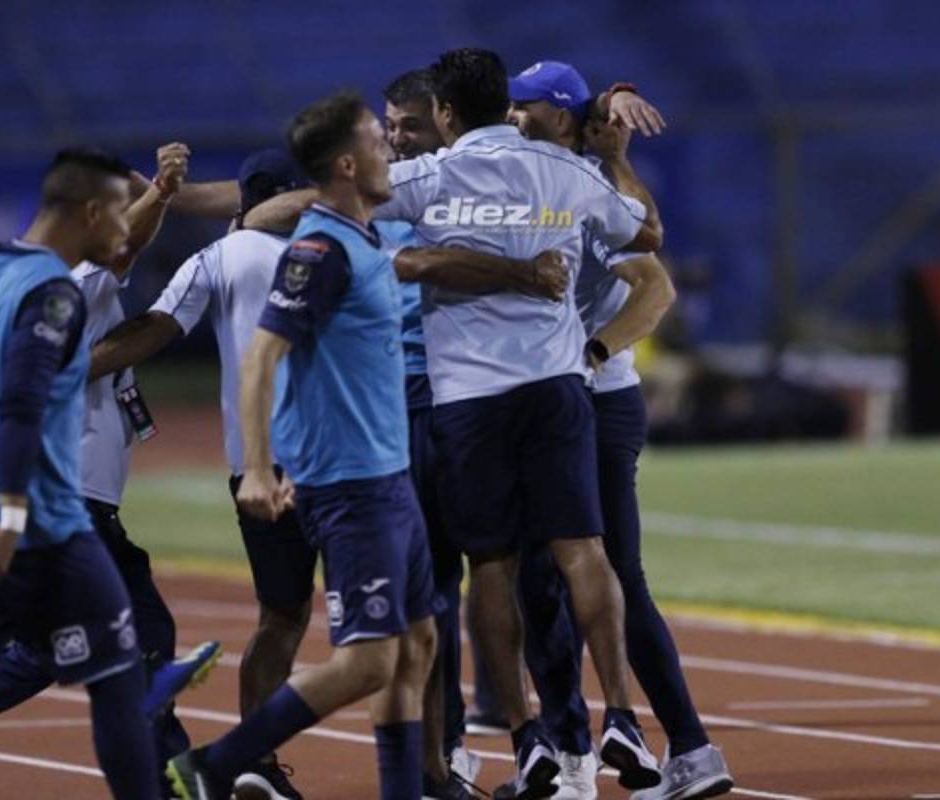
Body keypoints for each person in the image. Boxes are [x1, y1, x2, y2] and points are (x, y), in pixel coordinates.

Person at [373, 47, 663, 798]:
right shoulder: (564, 172)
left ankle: (527, 736)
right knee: (583, 552)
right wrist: (617, 158)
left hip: (467, 398)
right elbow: (644, 232)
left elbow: (334, 204)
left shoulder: (426, 176)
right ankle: (623, 719)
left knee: (490, 567)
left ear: (443, 116)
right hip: (557, 386)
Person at [0, 144, 222, 800]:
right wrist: (14, 512)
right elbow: (24, 400)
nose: (122, 231)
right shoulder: (55, 292)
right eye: (114, 213)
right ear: (88, 212)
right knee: (114, 661)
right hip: (44, 519)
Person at [166, 91, 436, 800]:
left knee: (418, 647)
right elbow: (260, 357)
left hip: (390, 476)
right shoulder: (319, 252)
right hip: (350, 485)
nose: (392, 151)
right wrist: (257, 467)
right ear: (347, 163)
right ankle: (214, 767)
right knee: (373, 660)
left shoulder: (363, 236)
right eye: (380, 140)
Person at [505, 61, 734, 800]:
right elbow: (602, 101)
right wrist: (623, 95)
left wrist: (587, 352)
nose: (512, 117)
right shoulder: (557, 176)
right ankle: (684, 751)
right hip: (586, 396)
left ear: (561, 118)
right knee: (605, 578)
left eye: (526, 107)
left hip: (584, 398)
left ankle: (578, 759)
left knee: (553, 576)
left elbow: (655, 281)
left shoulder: (589, 191)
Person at [93, 148, 316, 800]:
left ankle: (256, 763)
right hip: (349, 460)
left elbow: (156, 328)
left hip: (259, 464)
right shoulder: (341, 248)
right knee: (397, 621)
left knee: (280, 617)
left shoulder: (221, 257)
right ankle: (428, 767)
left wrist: (68, 367)